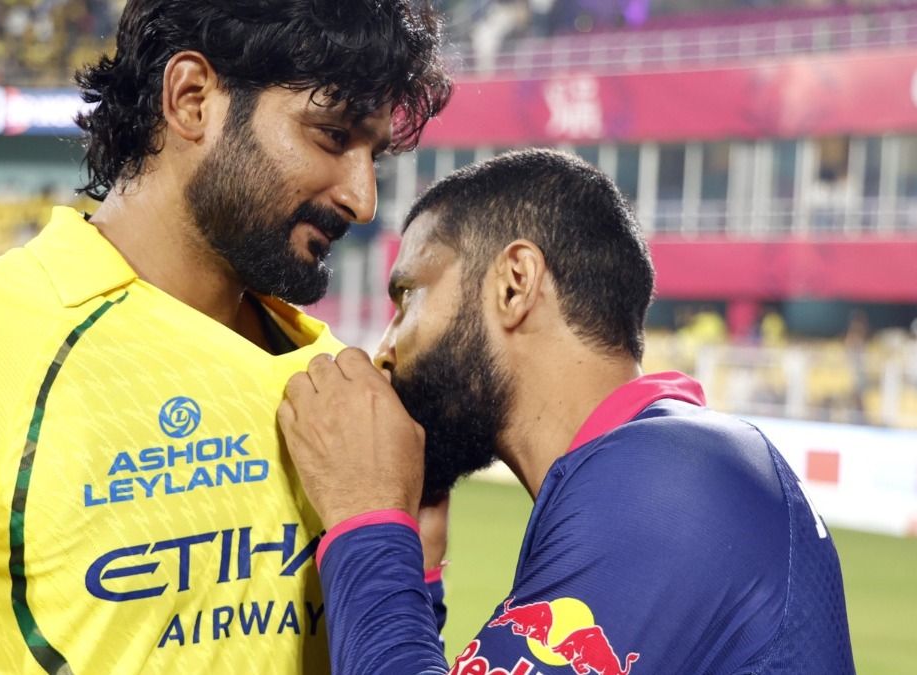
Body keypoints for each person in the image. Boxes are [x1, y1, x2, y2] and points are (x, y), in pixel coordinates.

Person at [0, 2, 450, 673]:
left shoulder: (350, 399)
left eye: (376, 158)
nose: (363, 198)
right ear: (191, 98)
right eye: (331, 135)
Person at [278, 149, 855, 674]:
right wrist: (416, 562)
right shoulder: (659, 464)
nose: (385, 346)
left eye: (408, 297)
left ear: (514, 284)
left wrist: (368, 516)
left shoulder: (665, 485)